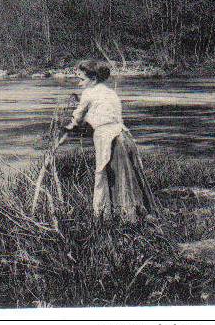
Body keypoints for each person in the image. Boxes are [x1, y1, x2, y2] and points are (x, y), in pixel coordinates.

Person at [64, 59, 156, 222]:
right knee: (129, 174)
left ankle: (111, 217)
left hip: (108, 139)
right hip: (123, 136)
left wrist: (70, 126)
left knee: (108, 176)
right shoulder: (110, 92)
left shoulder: (89, 93)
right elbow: (107, 114)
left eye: (81, 79)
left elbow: (78, 116)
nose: (79, 84)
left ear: (92, 79)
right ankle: (137, 212)